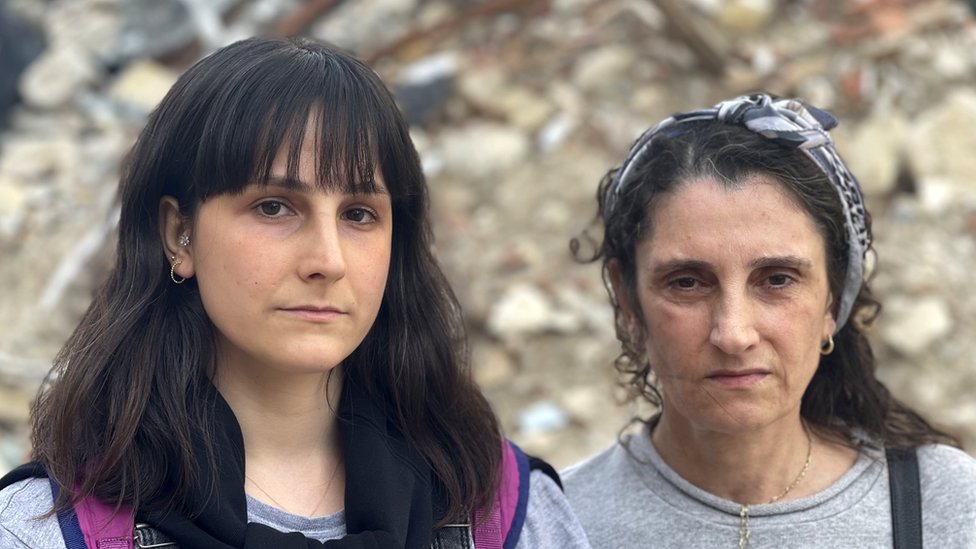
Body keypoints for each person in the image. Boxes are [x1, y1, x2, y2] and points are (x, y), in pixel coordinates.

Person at [0, 36, 590, 549]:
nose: (328, 261)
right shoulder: (45, 531)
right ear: (179, 233)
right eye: (274, 207)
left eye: (359, 214)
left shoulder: (505, 513)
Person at [561, 93, 976, 548]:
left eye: (777, 279)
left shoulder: (940, 505)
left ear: (833, 301)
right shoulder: (555, 524)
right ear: (628, 300)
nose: (734, 334)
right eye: (687, 283)